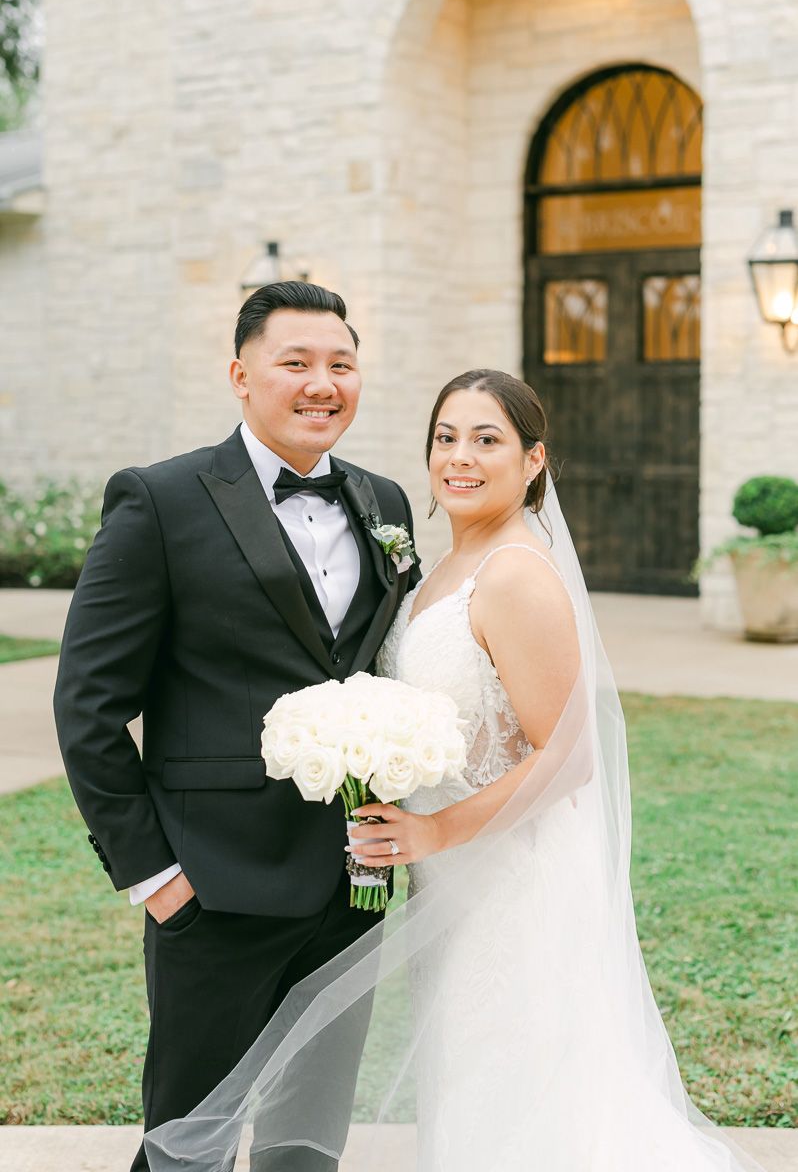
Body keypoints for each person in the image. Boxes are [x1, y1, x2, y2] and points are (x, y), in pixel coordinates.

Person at [143, 370, 765, 1172]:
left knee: (520, 1083)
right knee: (472, 1081)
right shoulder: (439, 565)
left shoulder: (515, 573)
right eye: (446, 437)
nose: (459, 457)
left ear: (534, 460)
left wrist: (436, 827)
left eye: (487, 439)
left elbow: (569, 755)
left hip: (511, 881)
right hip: (454, 883)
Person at [53, 280, 421, 1172]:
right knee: (189, 1141)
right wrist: (156, 877)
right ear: (241, 375)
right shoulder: (161, 500)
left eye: (341, 364)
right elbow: (89, 705)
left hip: (351, 887)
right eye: (294, 362)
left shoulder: (386, 503)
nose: (321, 383)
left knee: (307, 1143)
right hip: (211, 888)